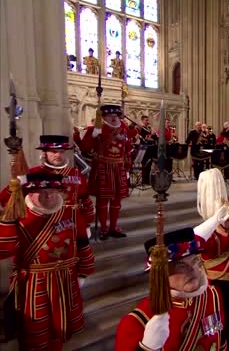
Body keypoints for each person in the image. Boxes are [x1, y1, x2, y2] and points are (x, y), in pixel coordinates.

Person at [0, 172, 95, 350]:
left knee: (58, 329)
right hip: (34, 284)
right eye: (42, 191)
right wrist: (8, 218)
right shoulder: (19, 215)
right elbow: (3, 250)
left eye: (53, 190)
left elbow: (82, 242)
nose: (49, 195)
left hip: (66, 280)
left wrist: (84, 271)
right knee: (35, 333)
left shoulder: (70, 212)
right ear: (31, 192)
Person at [114, 228, 226, 350]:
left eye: (195, 261)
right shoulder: (136, 322)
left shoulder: (212, 295)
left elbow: (220, 344)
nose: (193, 270)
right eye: (182, 266)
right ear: (161, 274)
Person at [194, 168, 229, 350]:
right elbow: (196, 239)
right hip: (216, 289)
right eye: (227, 218)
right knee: (217, 333)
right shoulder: (211, 237)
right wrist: (213, 219)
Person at [0, 135, 94, 229]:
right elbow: (7, 198)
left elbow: (84, 198)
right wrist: (16, 183)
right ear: (45, 153)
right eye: (53, 152)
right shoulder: (33, 173)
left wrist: (87, 222)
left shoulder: (76, 173)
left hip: (70, 223)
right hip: (43, 223)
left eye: (61, 152)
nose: (58, 155)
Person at [78, 104, 132, 240]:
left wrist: (127, 165)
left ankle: (114, 227)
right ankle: (103, 228)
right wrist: (91, 135)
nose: (114, 118)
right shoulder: (96, 128)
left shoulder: (124, 128)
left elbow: (128, 147)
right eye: (110, 116)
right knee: (102, 200)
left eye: (116, 115)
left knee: (116, 200)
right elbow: (85, 148)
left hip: (119, 167)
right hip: (103, 166)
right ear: (104, 117)